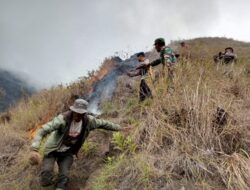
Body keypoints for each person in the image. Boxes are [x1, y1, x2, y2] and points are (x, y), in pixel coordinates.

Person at [29, 98, 126, 190]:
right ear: (73, 111)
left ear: (84, 113)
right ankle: (48, 185)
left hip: (67, 152)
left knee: (64, 176)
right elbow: (43, 130)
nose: (78, 116)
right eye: (76, 113)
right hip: (52, 150)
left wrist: (120, 128)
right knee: (46, 175)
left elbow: (104, 124)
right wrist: (34, 148)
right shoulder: (62, 120)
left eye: (81, 114)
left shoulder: (89, 121)